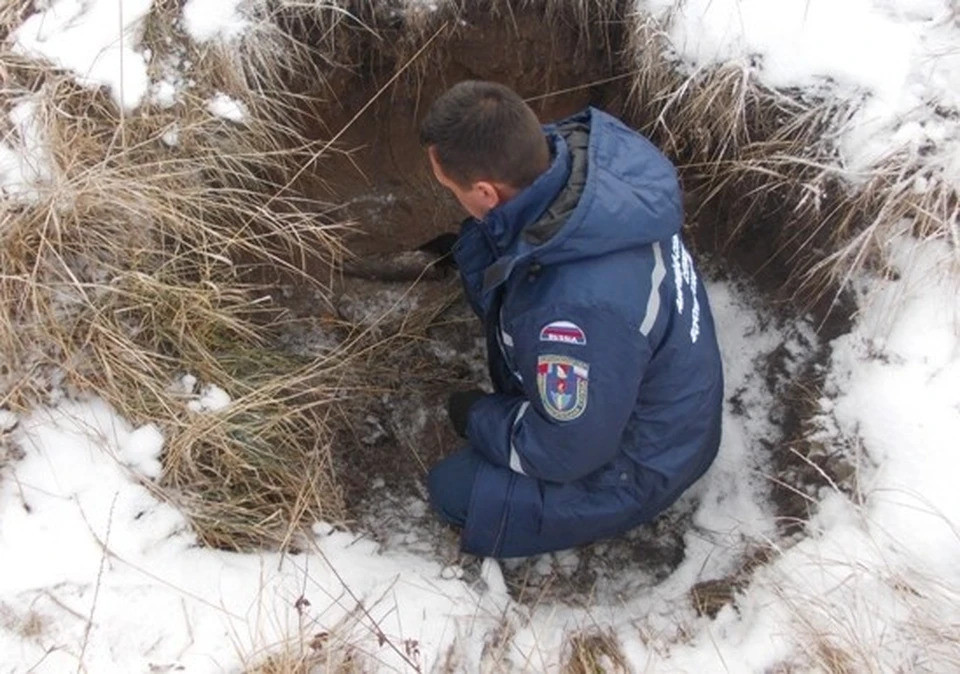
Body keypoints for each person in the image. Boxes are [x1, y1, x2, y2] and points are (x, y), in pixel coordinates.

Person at [420, 81, 723, 558]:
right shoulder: (584, 158)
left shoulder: (572, 313)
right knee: (477, 247)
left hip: (647, 459)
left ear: (485, 190)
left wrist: (480, 416)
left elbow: (564, 450)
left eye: (452, 188)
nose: (451, 196)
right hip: (648, 379)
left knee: (455, 490)